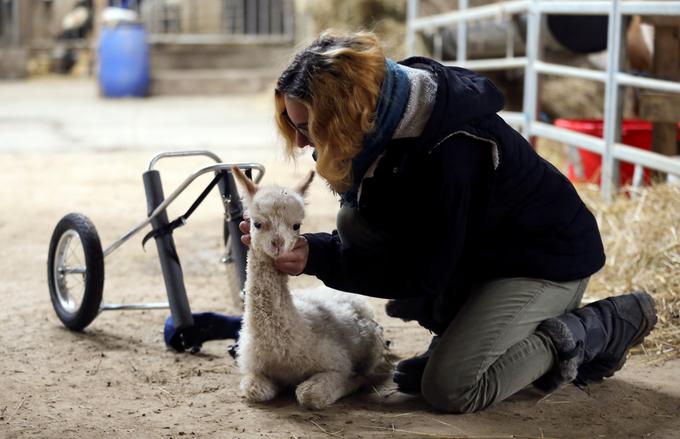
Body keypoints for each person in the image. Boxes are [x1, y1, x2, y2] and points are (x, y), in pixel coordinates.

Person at [239, 30, 658, 413]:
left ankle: (597, 327)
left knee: (452, 388)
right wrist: (314, 248)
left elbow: (423, 272)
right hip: (481, 254)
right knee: (356, 226)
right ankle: (471, 337)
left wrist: (319, 257)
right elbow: (395, 240)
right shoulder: (384, 125)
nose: (299, 140)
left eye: (307, 125)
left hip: (543, 262)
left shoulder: (451, 150)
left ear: (345, 111)